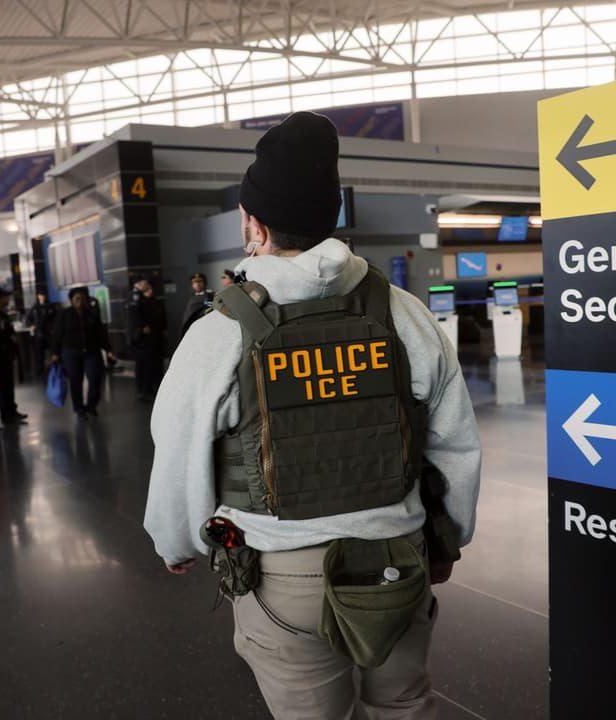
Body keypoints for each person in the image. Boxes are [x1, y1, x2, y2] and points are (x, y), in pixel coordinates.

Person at [142, 111, 482, 719]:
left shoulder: (218, 331)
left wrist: (175, 541)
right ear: (332, 219)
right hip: (396, 561)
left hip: (283, 576)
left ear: (253, 223)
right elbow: (454, 442)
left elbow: (179, 448)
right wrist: (447, 539)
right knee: (405, 703)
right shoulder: (403, 313)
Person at [50, 287, 114, 419]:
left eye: (82, 298)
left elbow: (101, 334)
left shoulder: (91, 314)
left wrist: (108, 350)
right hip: (71, 353)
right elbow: (57, 334)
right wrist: (55, 352)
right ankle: (79, 409)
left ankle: (91, 406)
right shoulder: (64, 314)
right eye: (77, 298)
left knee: (95, 378)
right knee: (75, 381)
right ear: (72, 300)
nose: (80, 300)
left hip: (91, 352)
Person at [0, 289, 26, 425]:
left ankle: (11, 409)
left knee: (9, 384)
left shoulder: (2, 314)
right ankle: (6, 413)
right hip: (1, 356)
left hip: (7, 355)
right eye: (6, 297)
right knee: (5, 385)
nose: (8, 300)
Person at [129, 278, 167, 401]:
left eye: (151, 288)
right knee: (143, 366)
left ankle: (154, 387)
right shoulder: (137, 302)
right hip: (142, 342)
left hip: (156, 340)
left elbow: (163, 321)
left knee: (156, 366)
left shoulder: (156, 303)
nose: (150, 291)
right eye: (147, 289)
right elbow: (135, 320)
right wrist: (142, 329)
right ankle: (143, 390)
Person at [22, 291, 57, 380]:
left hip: (49, 333)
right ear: (38, 296)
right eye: (41, 296)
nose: (42, 297)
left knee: (54, 351)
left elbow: (56, 319)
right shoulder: (35, 307)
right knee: (39, 354)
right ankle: (40, 370)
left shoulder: (50, 306)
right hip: (39, 333)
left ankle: (56, 368)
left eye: (44, 295)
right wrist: (31, 325)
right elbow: (27, 319)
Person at [178, 272, 214, 340]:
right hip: (192, 329)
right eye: (194, 282)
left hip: (204, 328)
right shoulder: (191, 298)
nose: (197, 284)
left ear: (205, 283)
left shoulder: (209, 295)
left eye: (200, 281)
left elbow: (209, 311)